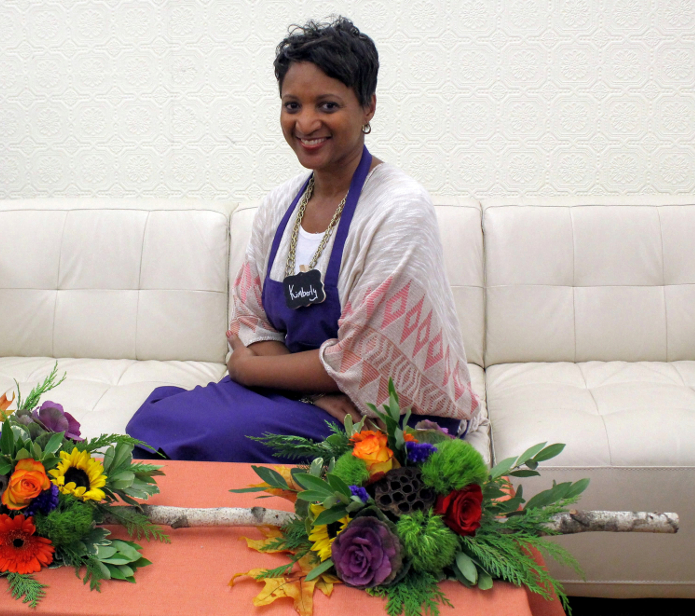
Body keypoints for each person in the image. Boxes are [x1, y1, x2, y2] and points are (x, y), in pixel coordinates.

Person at [128, 17, 480, 462]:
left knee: (188, 433)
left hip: (381, 415)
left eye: (328, 105)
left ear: (368, 106)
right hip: (305, 398)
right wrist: (298, 391)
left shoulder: (398, 208)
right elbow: (253, 319)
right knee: (159, 417)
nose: (306, 122)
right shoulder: (279, 206)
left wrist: (249, 370)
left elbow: (367, 362)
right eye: (292, 105)